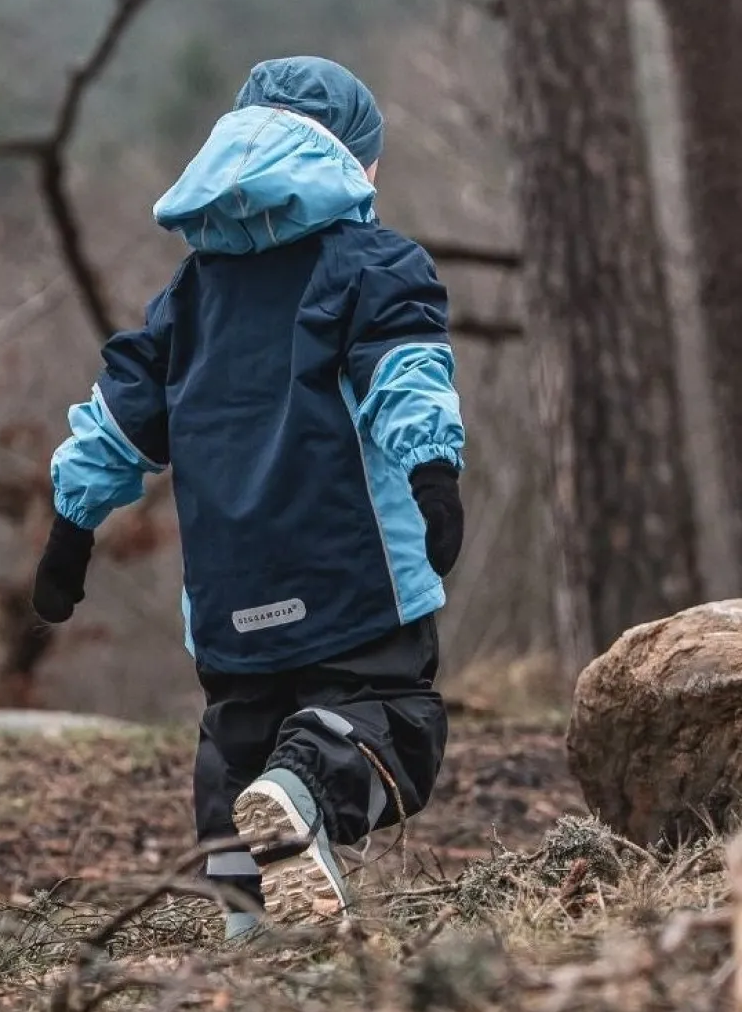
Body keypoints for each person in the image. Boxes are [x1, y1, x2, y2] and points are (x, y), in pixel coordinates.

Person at [26, 57, 465, 934]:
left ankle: (247, 926)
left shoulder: (187, 298)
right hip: (352, 583)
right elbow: (406, 373)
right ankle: (308, 787)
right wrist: (434, 472)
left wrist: (71, 530)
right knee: (391, 724)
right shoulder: (372, 266)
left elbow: (115, 422)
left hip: (229, 601)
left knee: (237, 754)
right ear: (356, 163)